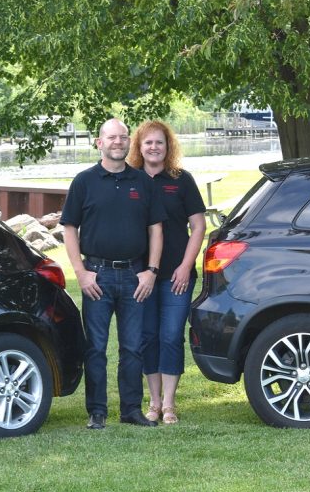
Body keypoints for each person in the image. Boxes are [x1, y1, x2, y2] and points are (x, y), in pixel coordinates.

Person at [61, 118, 166, 429]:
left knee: (133, 348)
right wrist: (80, 273)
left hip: (135, 277)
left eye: (123, 137)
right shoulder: (84, 182)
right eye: (111, 138)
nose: (118, 142)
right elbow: (69, 228)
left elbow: (156, 229)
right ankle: (97, 412)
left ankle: (131, 410)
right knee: (95, 348)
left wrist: (151, 271)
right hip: (97, 276)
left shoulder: (142, 182)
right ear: (99, 143)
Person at [128, 120, 206, 425]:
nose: (153, 147)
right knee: (148, 337)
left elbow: (198, 226)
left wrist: (186, 266)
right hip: (141, 276)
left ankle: (171, 404)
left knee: (172, 336)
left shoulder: (181, 180)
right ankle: (154, 402)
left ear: (168, 146)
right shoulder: (131, 181)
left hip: (177, 276)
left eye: (159, 142)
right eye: (148, 143)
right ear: (140, 147)